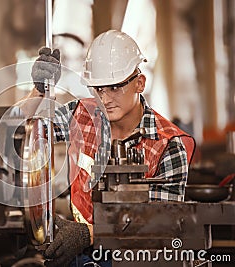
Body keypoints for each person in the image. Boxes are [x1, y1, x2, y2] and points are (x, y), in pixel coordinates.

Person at [21, 29, 195, 267]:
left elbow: (162, 224)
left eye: (115, 87)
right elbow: (29, 133)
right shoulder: (81, 115)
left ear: (140, 83)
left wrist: (89, 235)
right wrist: (40, 90)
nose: (105, 98)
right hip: (80, 254)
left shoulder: (168, 144)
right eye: (99, 89)